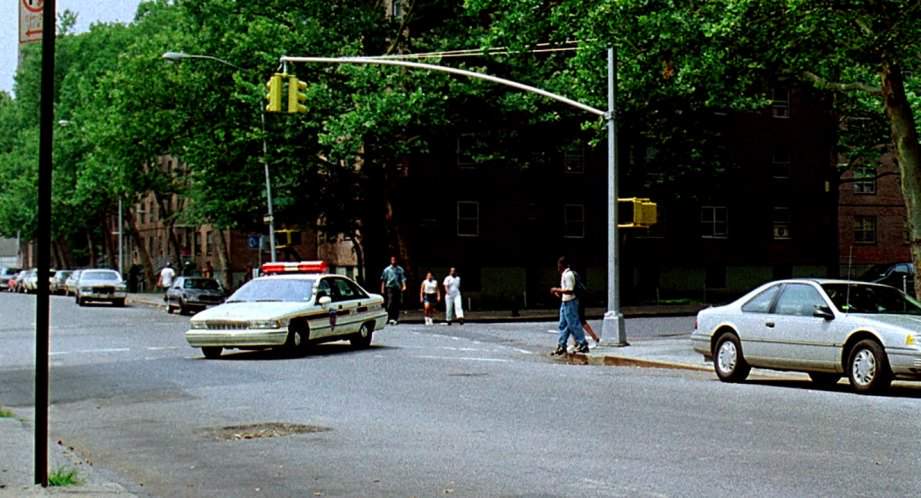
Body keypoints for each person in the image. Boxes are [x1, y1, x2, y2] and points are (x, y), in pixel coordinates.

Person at [550, 256, 589, 355]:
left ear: (562, 265)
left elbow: (570, 290)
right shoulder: (564, 275)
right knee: (563, 325)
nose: (557, 267)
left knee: (573, 324)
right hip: (565, 302)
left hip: (571, 302)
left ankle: (582, 343)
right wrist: (559, 292)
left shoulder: (568, 275)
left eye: (559, 265)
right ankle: (562, 345)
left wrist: (556, 290)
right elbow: (566, 290)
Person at [573, 268, 602, 348]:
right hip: (580, 302)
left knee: (575, 321)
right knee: (580, 321)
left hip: (576, 303)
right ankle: (593, 337)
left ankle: (579, 341)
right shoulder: (580, 285)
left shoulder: (574, 285)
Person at [380, 256, 407, 325]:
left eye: (395, 260)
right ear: (390, 261)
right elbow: (383, 279)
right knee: (390, 302)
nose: (393, 261)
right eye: (392, 260)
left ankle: (395, 318)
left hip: (397, 288)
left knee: (397, 303)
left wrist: (404, 286)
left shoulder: (400, 269)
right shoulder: (387, 270)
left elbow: (403, 278)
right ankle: (389, 317)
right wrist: (382, 289)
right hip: (390, 287)